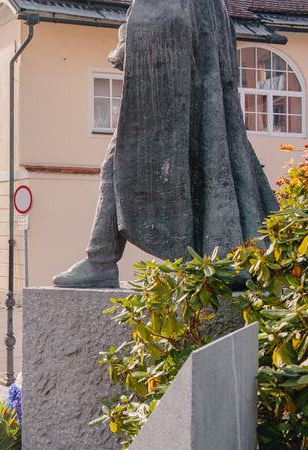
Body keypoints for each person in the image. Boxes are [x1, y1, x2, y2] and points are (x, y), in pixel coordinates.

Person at [53, 0, 278, 288]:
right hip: (202, 100)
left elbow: (159, 26)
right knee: (211, 165)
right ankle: (223, 256)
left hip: (171, 98)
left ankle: (101, 259)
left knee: (117, 164)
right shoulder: (214, 7)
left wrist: (125, 46)